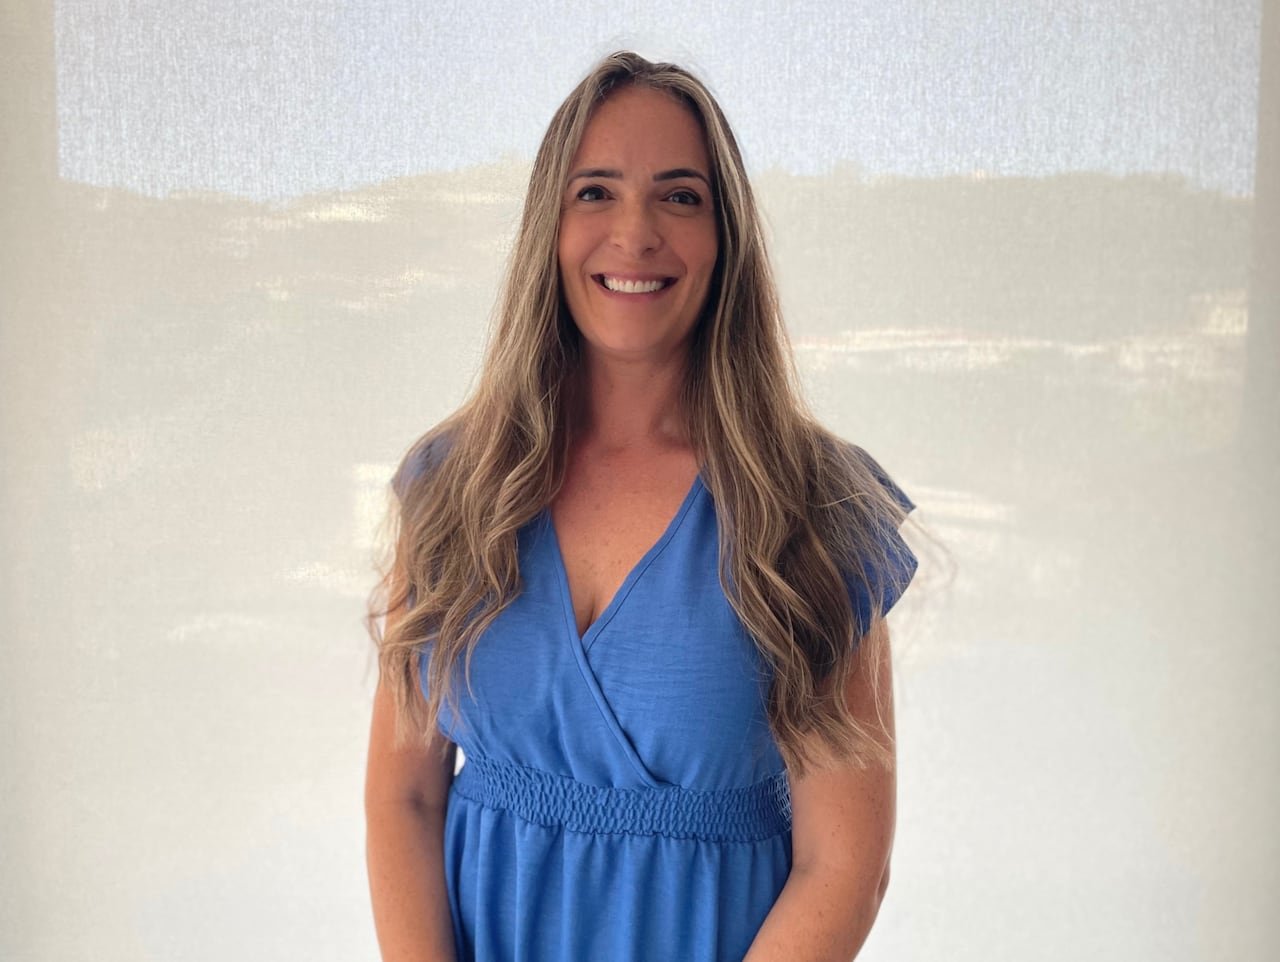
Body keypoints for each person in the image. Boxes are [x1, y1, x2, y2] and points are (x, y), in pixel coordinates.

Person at [364, 50, 918, 962]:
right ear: (549, 228)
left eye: (680, 196)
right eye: (595, 192)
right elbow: (405, 798)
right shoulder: (451, 486)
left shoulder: (816, 506)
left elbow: (844, 866)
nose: (635, 233)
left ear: (725, 237)